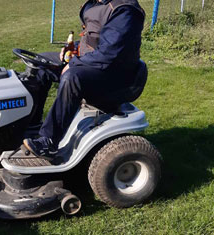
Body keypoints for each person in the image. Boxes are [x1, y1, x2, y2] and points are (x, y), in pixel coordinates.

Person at [23, 0, 146, 160]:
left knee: (72, 77)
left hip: (117, 77)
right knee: (42, 62)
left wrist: (74, 63)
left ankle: (49, 142)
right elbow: (94, 39)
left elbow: (110, 53)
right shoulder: (98, 4)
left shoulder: (125, 11)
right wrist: (74, 48)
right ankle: (33, 125)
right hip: (97, 64)